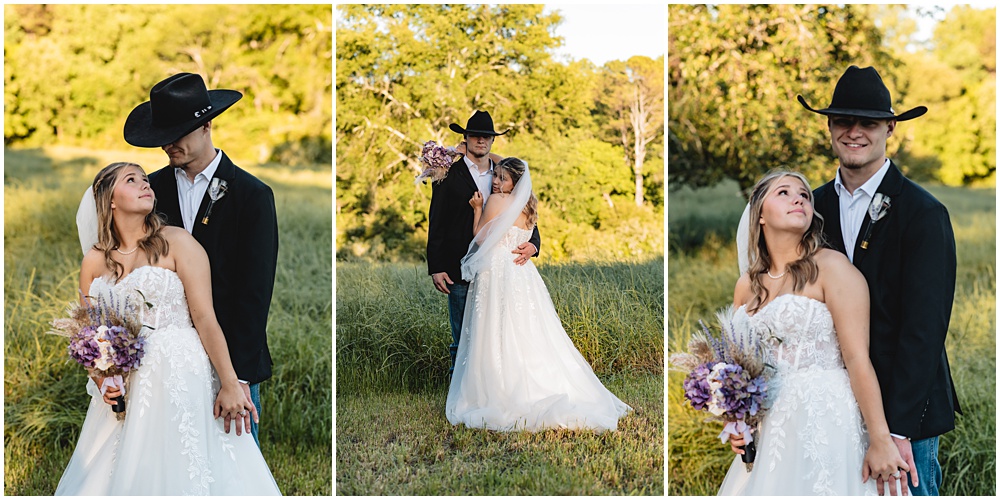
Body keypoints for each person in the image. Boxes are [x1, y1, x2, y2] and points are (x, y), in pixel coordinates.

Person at [56, 162, 280, 495]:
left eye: (145, 179)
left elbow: (205, 318)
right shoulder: (95, 260)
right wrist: (103, 381)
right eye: (131, 180)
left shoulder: (177, 242)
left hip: (183, 372)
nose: (145, 184)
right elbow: (92, 336)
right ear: (110, 200)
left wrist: (231, 382)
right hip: (131, 386)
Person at [802, 65, 960, 496]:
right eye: (842, 121)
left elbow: (924, 331)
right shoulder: (809, 209)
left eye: (868, 122)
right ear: (829, 127)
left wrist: (897, 430)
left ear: (890, 127)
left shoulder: (924, 214)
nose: (854, 132)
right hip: (828, 408)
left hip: (904, 414)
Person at [719, 171, 907, 495]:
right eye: (784, 192)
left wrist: (880, 439)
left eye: (805, 195)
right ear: (759, 214)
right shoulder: (746, 285)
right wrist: (737, 423)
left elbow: (857, 359)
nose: (799, 199)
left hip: (826, 420)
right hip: (770, 432)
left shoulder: (832, 269)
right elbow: (740, 372)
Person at [122, 73, 279, 445]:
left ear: (207, 125)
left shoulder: (253, 195)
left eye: (178, 133)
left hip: (232, 353)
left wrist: (236, 377)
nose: (168, 145)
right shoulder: (151, 191)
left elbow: (254, 293)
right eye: (163, 135)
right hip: (166, 358)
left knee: (235, 458)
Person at [445, 158, 631, 431]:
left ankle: (500, 388)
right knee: (528, 330)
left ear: (515, 183)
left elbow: (480, 238)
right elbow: (525, 235)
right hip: (522, 274)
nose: (496, 182)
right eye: (495, 176)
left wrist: (477, 209)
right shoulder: (529, 206)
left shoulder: (495, 202)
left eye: (503, 178)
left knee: (496, 329)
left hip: (497, 272)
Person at [426, 110, 540, 373]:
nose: (481, 140)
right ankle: (461, 390)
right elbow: (437, 221)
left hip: (501, 267)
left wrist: (533, 244)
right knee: (462, 337)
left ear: (492, 141)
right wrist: (436, 266)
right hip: (458, 265)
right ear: (465, 138)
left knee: (500, 333)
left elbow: (526, 213)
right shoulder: (447, 174)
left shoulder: (505, 174)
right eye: (476, 135)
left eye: (486, 136)